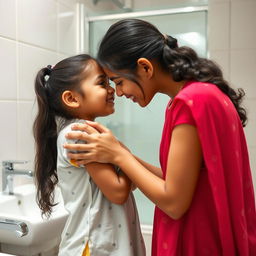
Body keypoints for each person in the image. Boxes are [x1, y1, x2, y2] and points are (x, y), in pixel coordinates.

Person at [63, 19, 256, 255]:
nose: (120, 93)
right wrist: (120, 154)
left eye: (119, 82)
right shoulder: (197, 96)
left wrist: (120, 156)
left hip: (198, 242)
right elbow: (176, 180)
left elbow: (174, 203)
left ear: (145, 67)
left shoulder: (190, 102)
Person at [33, 54, 146, 256]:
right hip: (93, 246)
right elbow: (119, 192)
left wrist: (121, 154)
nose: (112, 89)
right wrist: (122, 153)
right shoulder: (80, 134)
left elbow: (133, 182)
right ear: (72, 98)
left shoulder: (88, 132)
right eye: (102, 83)